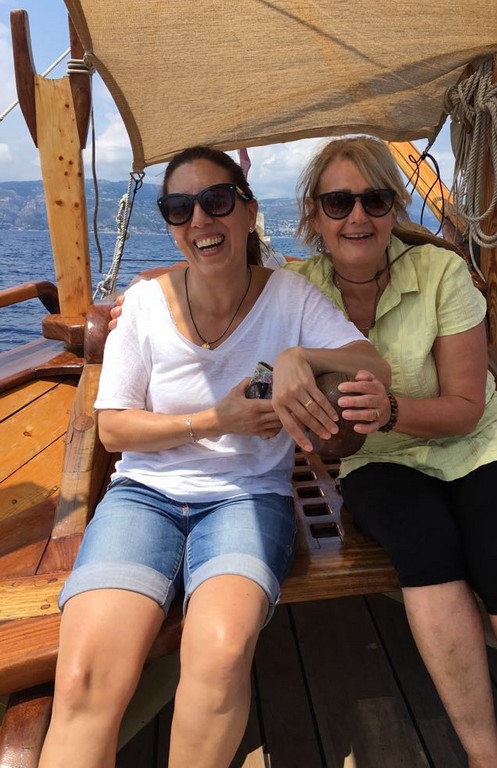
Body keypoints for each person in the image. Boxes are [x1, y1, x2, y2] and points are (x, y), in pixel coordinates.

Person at [39, 144, 389, 768]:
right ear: (171, 225)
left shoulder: (290, 298)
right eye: (180, 208)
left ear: (249, 211)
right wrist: (214, 421)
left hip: (248, 497)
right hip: (143, 496)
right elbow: (113, 429)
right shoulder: (145, 306)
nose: (200, 218)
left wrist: (300, 356)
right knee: (84, 674)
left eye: (217, 200)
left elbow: (372, 364)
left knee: (222, 654)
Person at [286, 135, 497, 768]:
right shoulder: (295, 289)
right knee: (426, 550)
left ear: (394, 209)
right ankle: (488, 759)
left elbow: (465, 405)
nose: (357, 216)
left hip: (477, 443)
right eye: (338, 202)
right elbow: (212, 276)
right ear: (314, 215)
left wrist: (389, 410)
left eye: (375, 200)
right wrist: (149, 287)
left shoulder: (441, 273)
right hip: (382, 459)